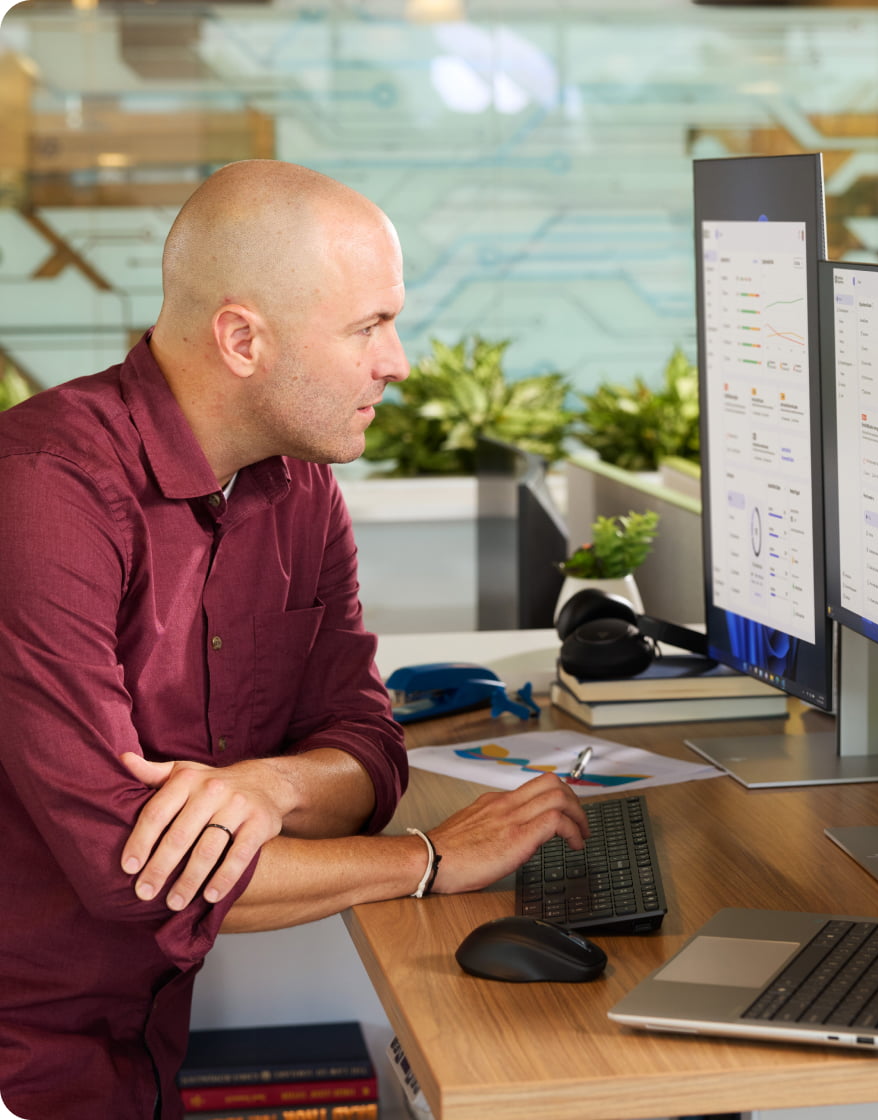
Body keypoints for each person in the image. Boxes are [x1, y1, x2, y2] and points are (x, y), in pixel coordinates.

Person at [0, 160, 589, 1120]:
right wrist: (429, 862)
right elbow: (127, 867)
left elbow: (366, 744)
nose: (397, 362)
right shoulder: (44, 489)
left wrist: (271, 784)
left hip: (145, 1048)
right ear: (242, 338)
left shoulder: (298, 488)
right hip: (27, 1060)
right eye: (368, 327)